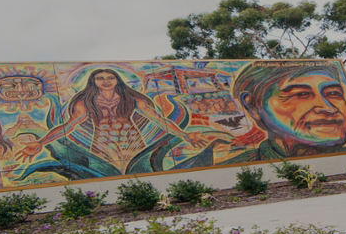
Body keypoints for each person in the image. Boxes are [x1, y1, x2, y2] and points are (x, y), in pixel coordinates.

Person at [15, 69, 226, 177]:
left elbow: (158, 119)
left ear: (117, 80)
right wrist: (42, 142)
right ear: (93, 82)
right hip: (102, 144)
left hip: (132, 141)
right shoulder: (85, 101)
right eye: (100, 78)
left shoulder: (132, 98)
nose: (105, 81)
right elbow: (70, 125)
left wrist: (186, 135)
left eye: (110, 77)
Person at [229, 61, 346, 160]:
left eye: (333, 93)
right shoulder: (237, 166)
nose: (328, 108)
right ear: (253, 107)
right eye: (301, 94)